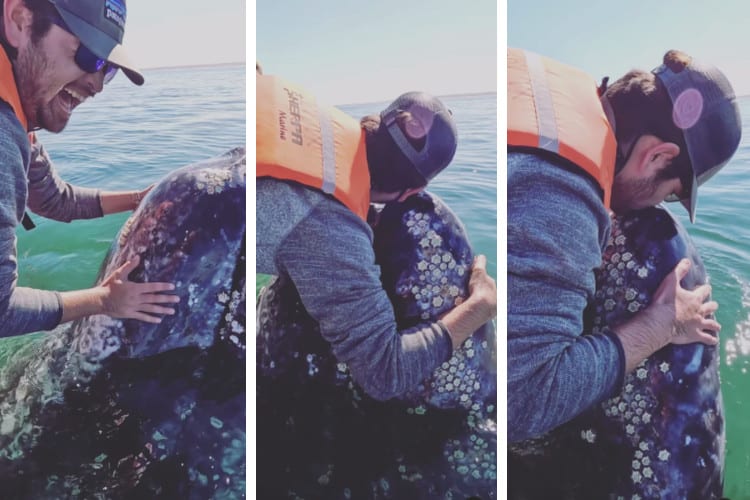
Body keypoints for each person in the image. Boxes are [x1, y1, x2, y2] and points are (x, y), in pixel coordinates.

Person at [507, 48, 742, 442]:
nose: (661, 206)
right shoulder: (562, 190)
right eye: (671, 194)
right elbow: (522, 401)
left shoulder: (553, 96)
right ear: (657, 156)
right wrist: (659, 326)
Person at [256, 72, 497, 401]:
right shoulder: (330, 229)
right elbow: (385, 374)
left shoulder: (304, 132)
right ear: (412, 190)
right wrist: (480, 307)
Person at [0, 0, 179, 337]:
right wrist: (104, 300)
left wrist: (140, 199)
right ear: (19, 21)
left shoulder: (17, 108)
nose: (96, 85)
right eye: (88, 56)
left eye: (107, 68)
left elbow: (54, 200)